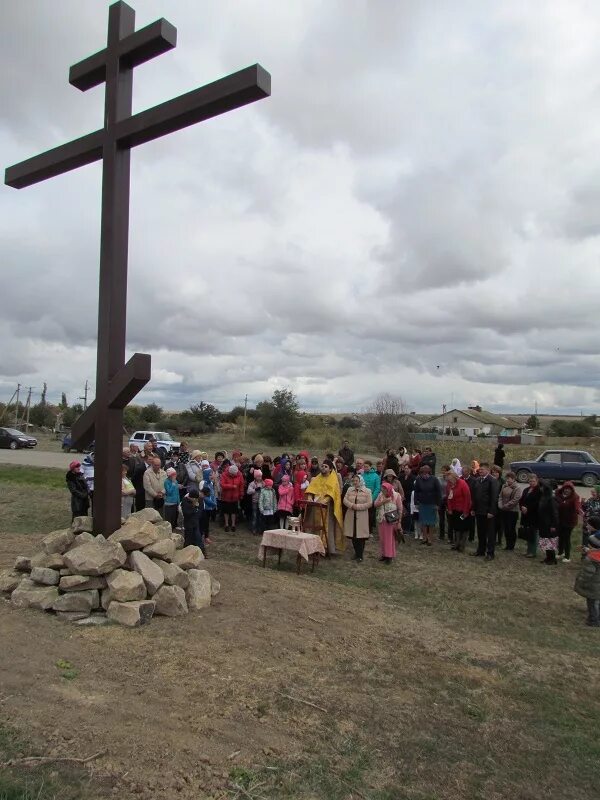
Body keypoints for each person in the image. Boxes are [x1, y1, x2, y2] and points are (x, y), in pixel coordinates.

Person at [306, 461, 345, 554]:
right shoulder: (317, 478)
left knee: (327, 528)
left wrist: (324, 501)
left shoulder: (333, 479)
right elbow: (311, 490)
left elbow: (332, 494)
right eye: (322, 466)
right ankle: (313, 547)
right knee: (314, 527)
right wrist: (310, 497)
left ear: (330, 469)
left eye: (326, 466)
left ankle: (325, 549)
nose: (323, 468)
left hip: (327, 508)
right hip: (315, 507)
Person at [574, 516, 600, 627]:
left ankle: (593, 620)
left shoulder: (592, 559)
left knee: (592, 601)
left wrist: (581, 582)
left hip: (593, 584)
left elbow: (587, 573)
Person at [470, 462, 500, 560]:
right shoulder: (478, 480)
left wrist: (491, 511)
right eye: (479, 469)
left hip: (488, 512)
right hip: (479, 511)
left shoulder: (492, 481)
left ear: (487, 470)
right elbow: (475, 496)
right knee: (480, 532)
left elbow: (494, 497)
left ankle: (490, 553)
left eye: (482, 469)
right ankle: (480, 550)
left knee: (490, 533)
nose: (480, 471)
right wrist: (473, 509)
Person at [343, 473, 372, 562]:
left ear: (360, 481)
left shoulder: (367, 491)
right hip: (351, 515)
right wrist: (352, 505)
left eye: (356, 481)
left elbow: (369, 503)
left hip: (361, 516)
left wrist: (358, 507)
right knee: (353, 535)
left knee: (361, 536)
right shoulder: (350, 489)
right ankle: (356, 553)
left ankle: (360, 555)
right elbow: (345, 500)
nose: (355, 482)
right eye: (354, 481)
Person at [374, 481, 403, 564]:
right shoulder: (380, 495)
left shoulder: (396, 496)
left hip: (391, 521)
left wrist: (399, 522)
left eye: (384, 489)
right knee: (382, 538)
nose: (383, 490)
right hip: (381, 519)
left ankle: (389, 556)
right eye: (382, 489)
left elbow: (400, 509)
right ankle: (384, 554)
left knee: (389, 539)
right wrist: (383, 501)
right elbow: (375, 504)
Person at [413, 465, 442, 546]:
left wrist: (438, 504)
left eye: (426, 473)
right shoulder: (418, 479)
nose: (424, 475)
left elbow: (439, 492)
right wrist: (416, 502)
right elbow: (416, 491)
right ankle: (424, 538)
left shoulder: (434, 479)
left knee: (431, 523)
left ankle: (430, 539)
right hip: (422, 503)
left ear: (429, 473)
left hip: (432, 504)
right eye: (423, 474)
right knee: (423, 522)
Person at [555, 481, 580, 563]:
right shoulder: (559, 494)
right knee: (560, 537)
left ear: (572, 490)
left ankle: (567, 556)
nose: (567, 490)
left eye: (569, 489)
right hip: (561, 520)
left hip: (570, 522)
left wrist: (578, 510)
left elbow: (577, 507)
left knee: (566, 538)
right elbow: (556, 493)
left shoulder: (575, 497)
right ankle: (560, 553)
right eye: (565, 488)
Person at [446, 470, 472, 552]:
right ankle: (456, 544)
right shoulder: (450, 485)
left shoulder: (462, 484)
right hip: (454, 510)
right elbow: (449, 497)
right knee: (456, 527)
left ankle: (462, 545)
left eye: (450, 479)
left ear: (455, 477)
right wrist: (449, 508)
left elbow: (467, 499)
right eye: (448, 480)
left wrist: (465, 511)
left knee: (463, 528)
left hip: (463, 510)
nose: (449, 481)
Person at [497, 472, 521, 551]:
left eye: (509, 479)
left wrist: (506, 505)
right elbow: (500, 496)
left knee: (511, 528)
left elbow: (515, 500)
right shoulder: (504, 486)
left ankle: (511, 545)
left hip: (512, 511)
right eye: (507, 478)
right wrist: (500, 505)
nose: (507, 480)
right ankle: (507, 544)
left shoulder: (517, 488)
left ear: (513, 479)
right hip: (504, 510)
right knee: (506, 528)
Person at [538, 480, 559, 565]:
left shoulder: (551, 499)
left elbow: (555, 513)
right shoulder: (543, 497)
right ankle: (548, 557)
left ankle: (552, 559)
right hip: (543, 523)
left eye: (542, 487)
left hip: (549, 524)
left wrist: (553, 525)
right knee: (545, 541)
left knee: (550, 541)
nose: (541, 489)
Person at [520, 474, 541, 558]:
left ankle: (533, 552)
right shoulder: (526, 489)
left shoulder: (539, 491)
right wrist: (522, 507)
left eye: (533, 481)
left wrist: (528, 508)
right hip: (525, 515)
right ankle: (528, 550)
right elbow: (521, 500)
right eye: (530, 481)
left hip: (534, 515)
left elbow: (538, 503)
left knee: (534, 534)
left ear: (537, 481)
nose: (531, 483)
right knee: (528, 533)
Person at [220, 464, 245, 532]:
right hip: (226, 496)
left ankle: (233, 524)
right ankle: (226, 524)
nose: (233, 475)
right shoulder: (224, 474)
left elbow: (241, 485)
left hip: (235, 496)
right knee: (226, 511)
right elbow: (222, 484)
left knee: (234, 511)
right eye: (232, 474)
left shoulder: (240, 475)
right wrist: (231, 486)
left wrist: (241, 493)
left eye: (234, 474)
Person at [181, 488, 204, 553]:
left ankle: (202, 552)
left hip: (196, 522)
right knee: (188, 538)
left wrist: (196, 510)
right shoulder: (185, 501)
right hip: (188, 523)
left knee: (198, 538)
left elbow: (200, 511)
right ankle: (186, 552)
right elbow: (186, 513)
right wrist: (194, 507)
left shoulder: (199, 500)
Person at [362, 460, 381, 532]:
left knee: (370, 515)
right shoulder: (362, 475)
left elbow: (377, 488)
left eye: (367, 467)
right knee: (363, 515)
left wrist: (372, 498)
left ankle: (369, 530)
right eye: (364, 467)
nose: (365, 468)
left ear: (370, 467)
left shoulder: (376, 476)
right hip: (362, 498)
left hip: (371, 498)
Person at [399, 464, 416, 533]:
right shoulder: (401, 476)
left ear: (410, 469)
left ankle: (408, 529)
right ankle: (401, 527)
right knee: (402, 513)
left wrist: (405, 496)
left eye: (407, 468)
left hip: (409, 498)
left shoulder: (413, 478)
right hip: (401, 498)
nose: (406, 470)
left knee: (408, 514)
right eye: (405, 468)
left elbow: (413, 489)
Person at [247, 470, 264, 534]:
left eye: (260, 476)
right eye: (258, 476)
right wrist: (255, 490)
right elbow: (248, 492)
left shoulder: (263, 483)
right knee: (254, 515)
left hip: (261, 502)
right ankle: (254, 528)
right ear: (255, 477)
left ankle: (260, 529)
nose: (259, 478)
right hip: (255, 501)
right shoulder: (252, 483)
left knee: (260, 516)